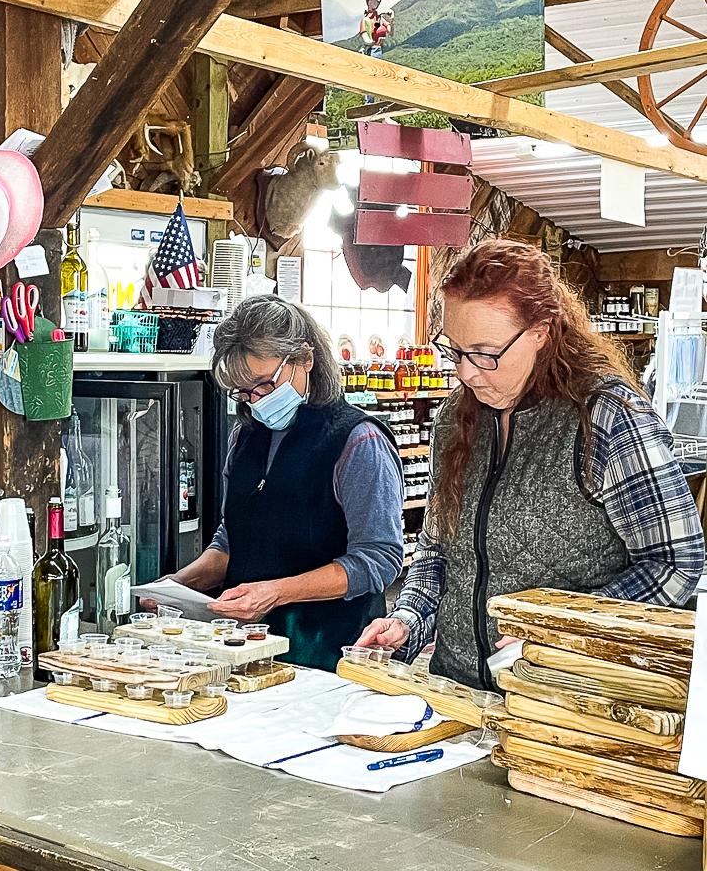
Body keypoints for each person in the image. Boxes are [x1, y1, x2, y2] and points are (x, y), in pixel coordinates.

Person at [357, 239, 705, 690]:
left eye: (485, 352)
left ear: (541, 332)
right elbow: (438, 548)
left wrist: (560, 635)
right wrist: (409, 617)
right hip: (458, 693)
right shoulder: (454, 419)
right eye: (455, 349)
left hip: (563, 701)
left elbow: (675, 562)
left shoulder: (604, 419)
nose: (466, 372)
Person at [146, 296, 404, 672]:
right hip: (246, 651)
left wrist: (275, 592)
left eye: (264, 385)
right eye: (243, 393)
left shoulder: (358, 441)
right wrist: (178, 586)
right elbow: (234, 539)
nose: (256, 401)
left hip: (331, 652)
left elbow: (378, 560)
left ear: (305, 359)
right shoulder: (245, 438)